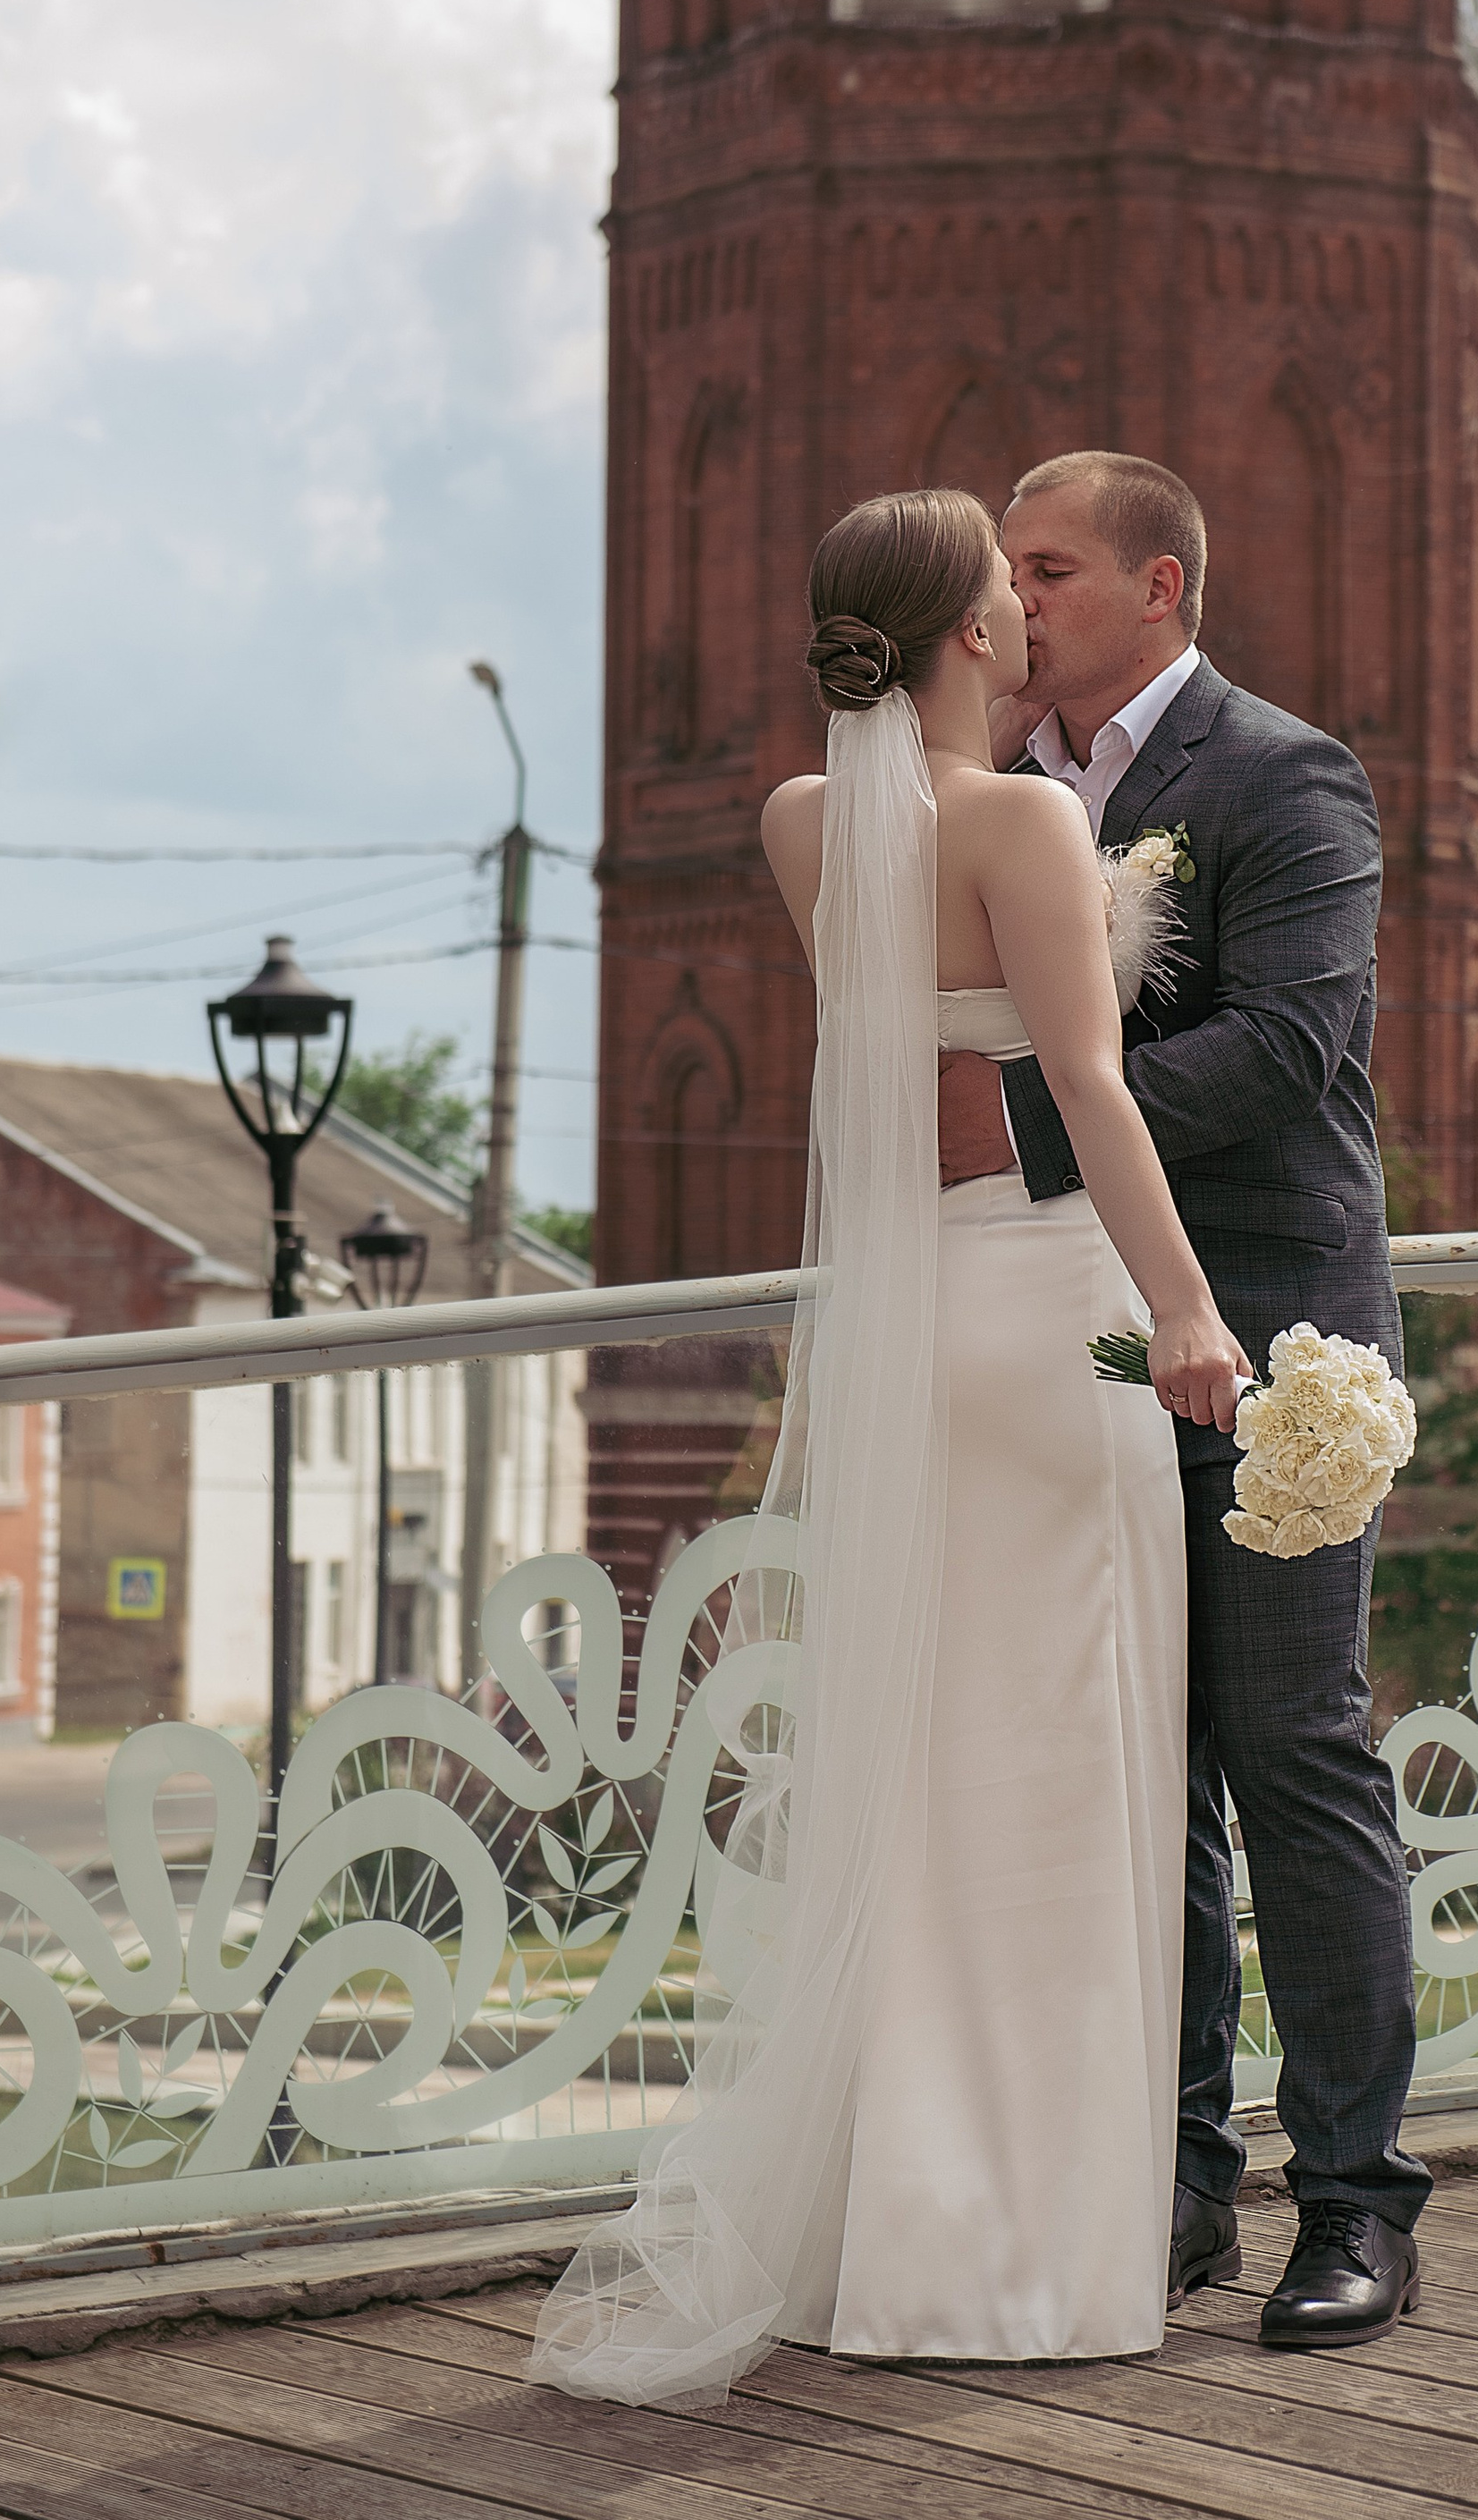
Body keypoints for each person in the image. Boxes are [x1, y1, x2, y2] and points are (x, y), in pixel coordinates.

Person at [528, 486, 1248, 2405]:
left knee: (924, 1773)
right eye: (1003, 587)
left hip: (904, 1328)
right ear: (964, 633)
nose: (1029, 605)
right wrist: (1183, 1309)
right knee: (1063, 1770)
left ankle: (884, 2239)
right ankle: (1026, 2255)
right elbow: (1085, 1085)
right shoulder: (1029, 816)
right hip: (1041, 1309)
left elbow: (906, 1050)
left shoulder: (798, 821)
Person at [939, 451, 1429, 2349]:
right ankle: (1168, 2192)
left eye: (1049, 567)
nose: (1018, 595)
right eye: (1004, 571)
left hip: (1270, 1333)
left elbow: (1291, 1050)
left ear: (1159, 588)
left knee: (1289, 1751)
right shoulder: (994, 795)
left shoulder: (1280, 773)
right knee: (1139, 1775)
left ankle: (1359, 2207)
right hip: (1069, 1337)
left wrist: (1031, 1114)